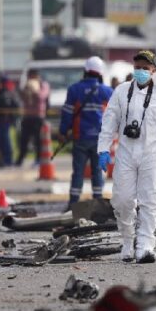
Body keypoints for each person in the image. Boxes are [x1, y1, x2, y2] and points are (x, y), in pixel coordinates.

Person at [98, 50, 156, 264]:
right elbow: (109, 122)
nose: (141, 71)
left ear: (154, 70)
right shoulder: (121, 91)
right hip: (126, 153)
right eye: (137, 68)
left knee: (150, 201)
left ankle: (145, 245)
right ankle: (128, 240)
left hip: (152, 155)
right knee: (122, 200)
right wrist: (103, 149)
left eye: (146, 68)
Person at [59, 57, 114, 211]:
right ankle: (98, 205)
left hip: (80, 138)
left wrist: (63, 132)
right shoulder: (107, 91)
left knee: (78, 172)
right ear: (100, 73)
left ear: (85, 71)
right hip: (100, 140)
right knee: (97, 172)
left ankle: (72, 205)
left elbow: (68, 114)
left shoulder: (74, 90)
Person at [16, 69, 50, 167]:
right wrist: (25, 91)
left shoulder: (43, 85)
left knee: (38, 139)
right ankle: (20, 159)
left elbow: (42, 97)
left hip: (38, 116)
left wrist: (35, 90)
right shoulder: (27, 85)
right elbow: (22, 98)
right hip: (27, 116)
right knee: (24, 139)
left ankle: (38, 159)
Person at [0, 77, 22, 168]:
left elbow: (6, 104)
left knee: (5, 140)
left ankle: (7, 159)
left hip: (5, 120)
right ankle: (4, 159)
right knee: (2, 140)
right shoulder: (7, 91)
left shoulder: (6, 92)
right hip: (2, 120)